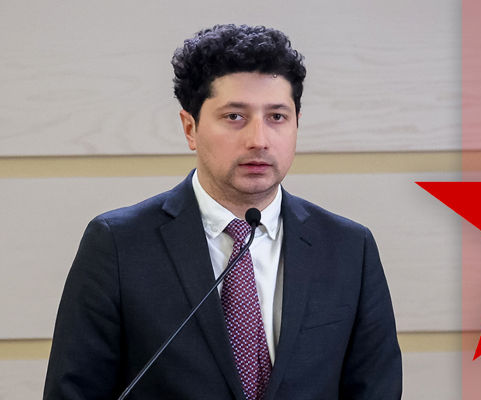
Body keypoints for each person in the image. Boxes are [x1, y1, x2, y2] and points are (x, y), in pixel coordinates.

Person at [43, 24, 402, 399]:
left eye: (277, 117)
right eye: (234, 117)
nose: (258, 140)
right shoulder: (118, 244)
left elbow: (376, 389)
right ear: (190, 128)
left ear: (297, 123)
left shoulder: (349, 248)